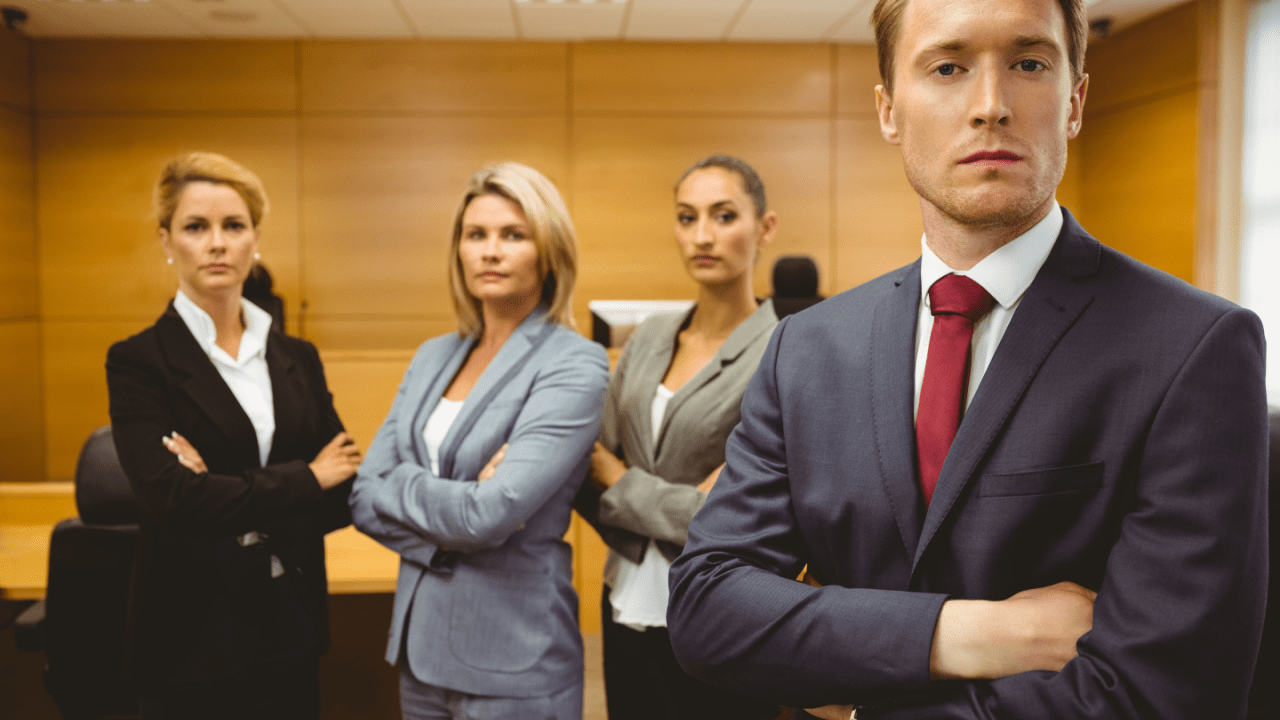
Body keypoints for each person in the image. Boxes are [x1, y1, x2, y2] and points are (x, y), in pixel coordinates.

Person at [666, 0, 1269, 716]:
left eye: (1028, 63)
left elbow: (1165, 693)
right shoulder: (808, 349)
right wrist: (967, 634)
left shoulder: (1194, 348)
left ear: (1074, 101)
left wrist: (859, 698)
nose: (990, 105)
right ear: (889, 111)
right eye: (948, 67)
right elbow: (707, 606)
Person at [106, 152, 362, 720]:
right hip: (191, 634)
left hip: (289, 622)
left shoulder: (297, 356)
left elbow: (343, 490)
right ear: (167, 241)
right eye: (196, 227)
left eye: (234, 226)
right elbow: (172, 501)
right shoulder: (139, 362)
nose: (217, 243)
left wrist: (221, 493)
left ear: (255, 240)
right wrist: (305, 477)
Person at [348, 162, 608, 720]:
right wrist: (451, 519)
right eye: (476, 235)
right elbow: (362, 495)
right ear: (459, 250)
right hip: (420, 652)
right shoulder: (432, 356)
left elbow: (491, 514)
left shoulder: (574, 363)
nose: (490, 251)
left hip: (515, 658)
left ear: (549, 251)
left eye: (514, 235)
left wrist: (404, 484)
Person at [575, 155, 781, 720]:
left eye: (723, 216)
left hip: (723, 615)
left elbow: (741, 517)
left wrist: (623, 481)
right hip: (626, 601)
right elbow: (591, 467)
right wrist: (682, 502)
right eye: (687, 218)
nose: (703, 236)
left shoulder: (784, 351)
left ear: (765, 228)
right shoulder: (648, 338)